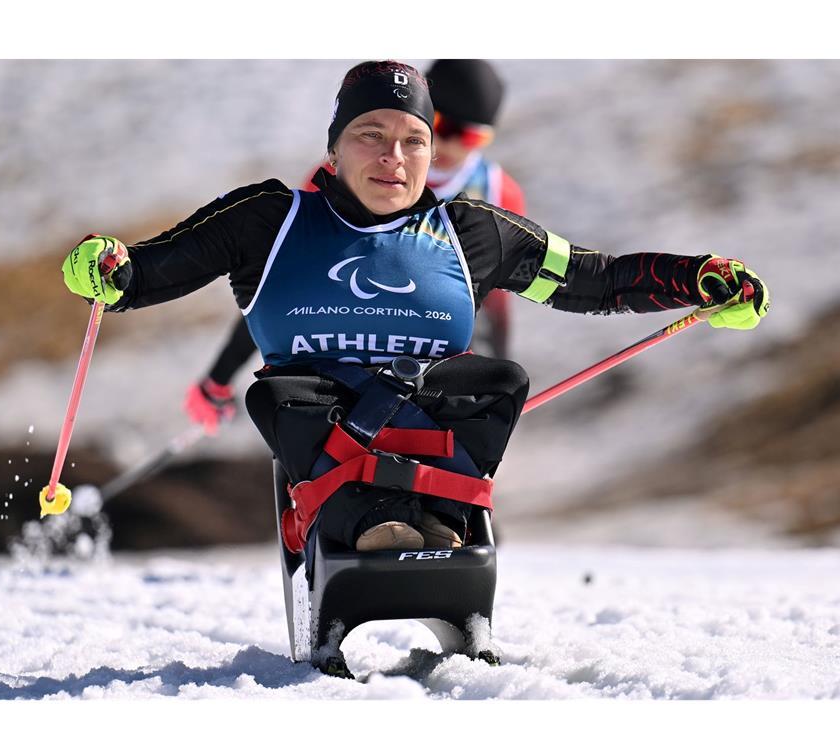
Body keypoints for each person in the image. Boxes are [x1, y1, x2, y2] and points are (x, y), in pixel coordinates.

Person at [61, 60, 770, 554]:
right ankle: (374, 522)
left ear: (432, 156)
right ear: (334, 149)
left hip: (425, 421)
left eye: (413, 141)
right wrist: (107, 269)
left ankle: (434, 521)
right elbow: (147, 273)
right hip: (320, 420)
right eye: (371, 134)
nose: (392, 156)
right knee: (280, 393)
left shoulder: (472, 231)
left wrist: (698, 280)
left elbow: (595, 278)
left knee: (498, 381)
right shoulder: (268, 218)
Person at [184, 60, 523, 436]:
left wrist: (495, 393)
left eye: (472, 138)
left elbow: (497, 300)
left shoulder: (495, 192)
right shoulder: (345, 174)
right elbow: (279, 282)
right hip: (336, 372)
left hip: (429, 377)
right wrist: (220, 377)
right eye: (444, 127)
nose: (453, 145)